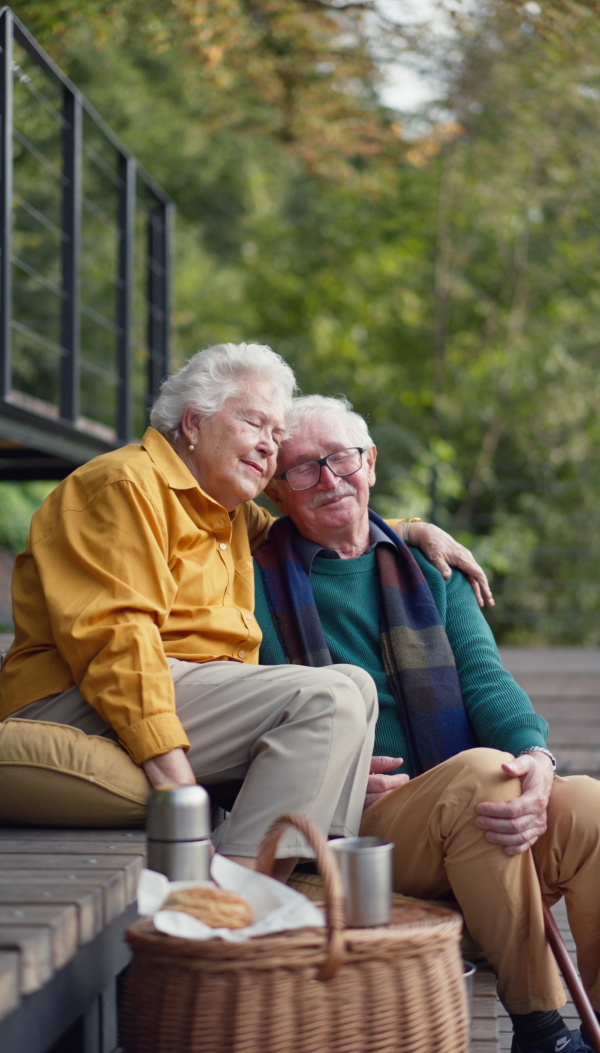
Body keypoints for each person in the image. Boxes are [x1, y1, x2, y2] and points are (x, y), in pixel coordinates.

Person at [0, 343, 486, 872]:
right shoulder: (122, 486)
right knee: (322, 696)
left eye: (276, 437)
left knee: (354, 685)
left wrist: (411, 530)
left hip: (183, 697)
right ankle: (238, 895)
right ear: (193, 423)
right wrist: (179, 793)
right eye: (255, 424)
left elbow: (318, 524)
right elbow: (116, 643)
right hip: (76, 699)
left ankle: (310, 879)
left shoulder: (230, 514)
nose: (268, 448)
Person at [254, 393, 600, 1053]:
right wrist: (331, 786)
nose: (329, 479)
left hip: (470, 815)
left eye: (342, 459)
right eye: (303, 468)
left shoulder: (426, 566)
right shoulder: (255, 581)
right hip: (356, 829)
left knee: (587, 803)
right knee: (479, 777)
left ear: (371, 463)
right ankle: (541, 1029)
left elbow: (484, 677)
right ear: (277, 491)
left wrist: (536, 758)